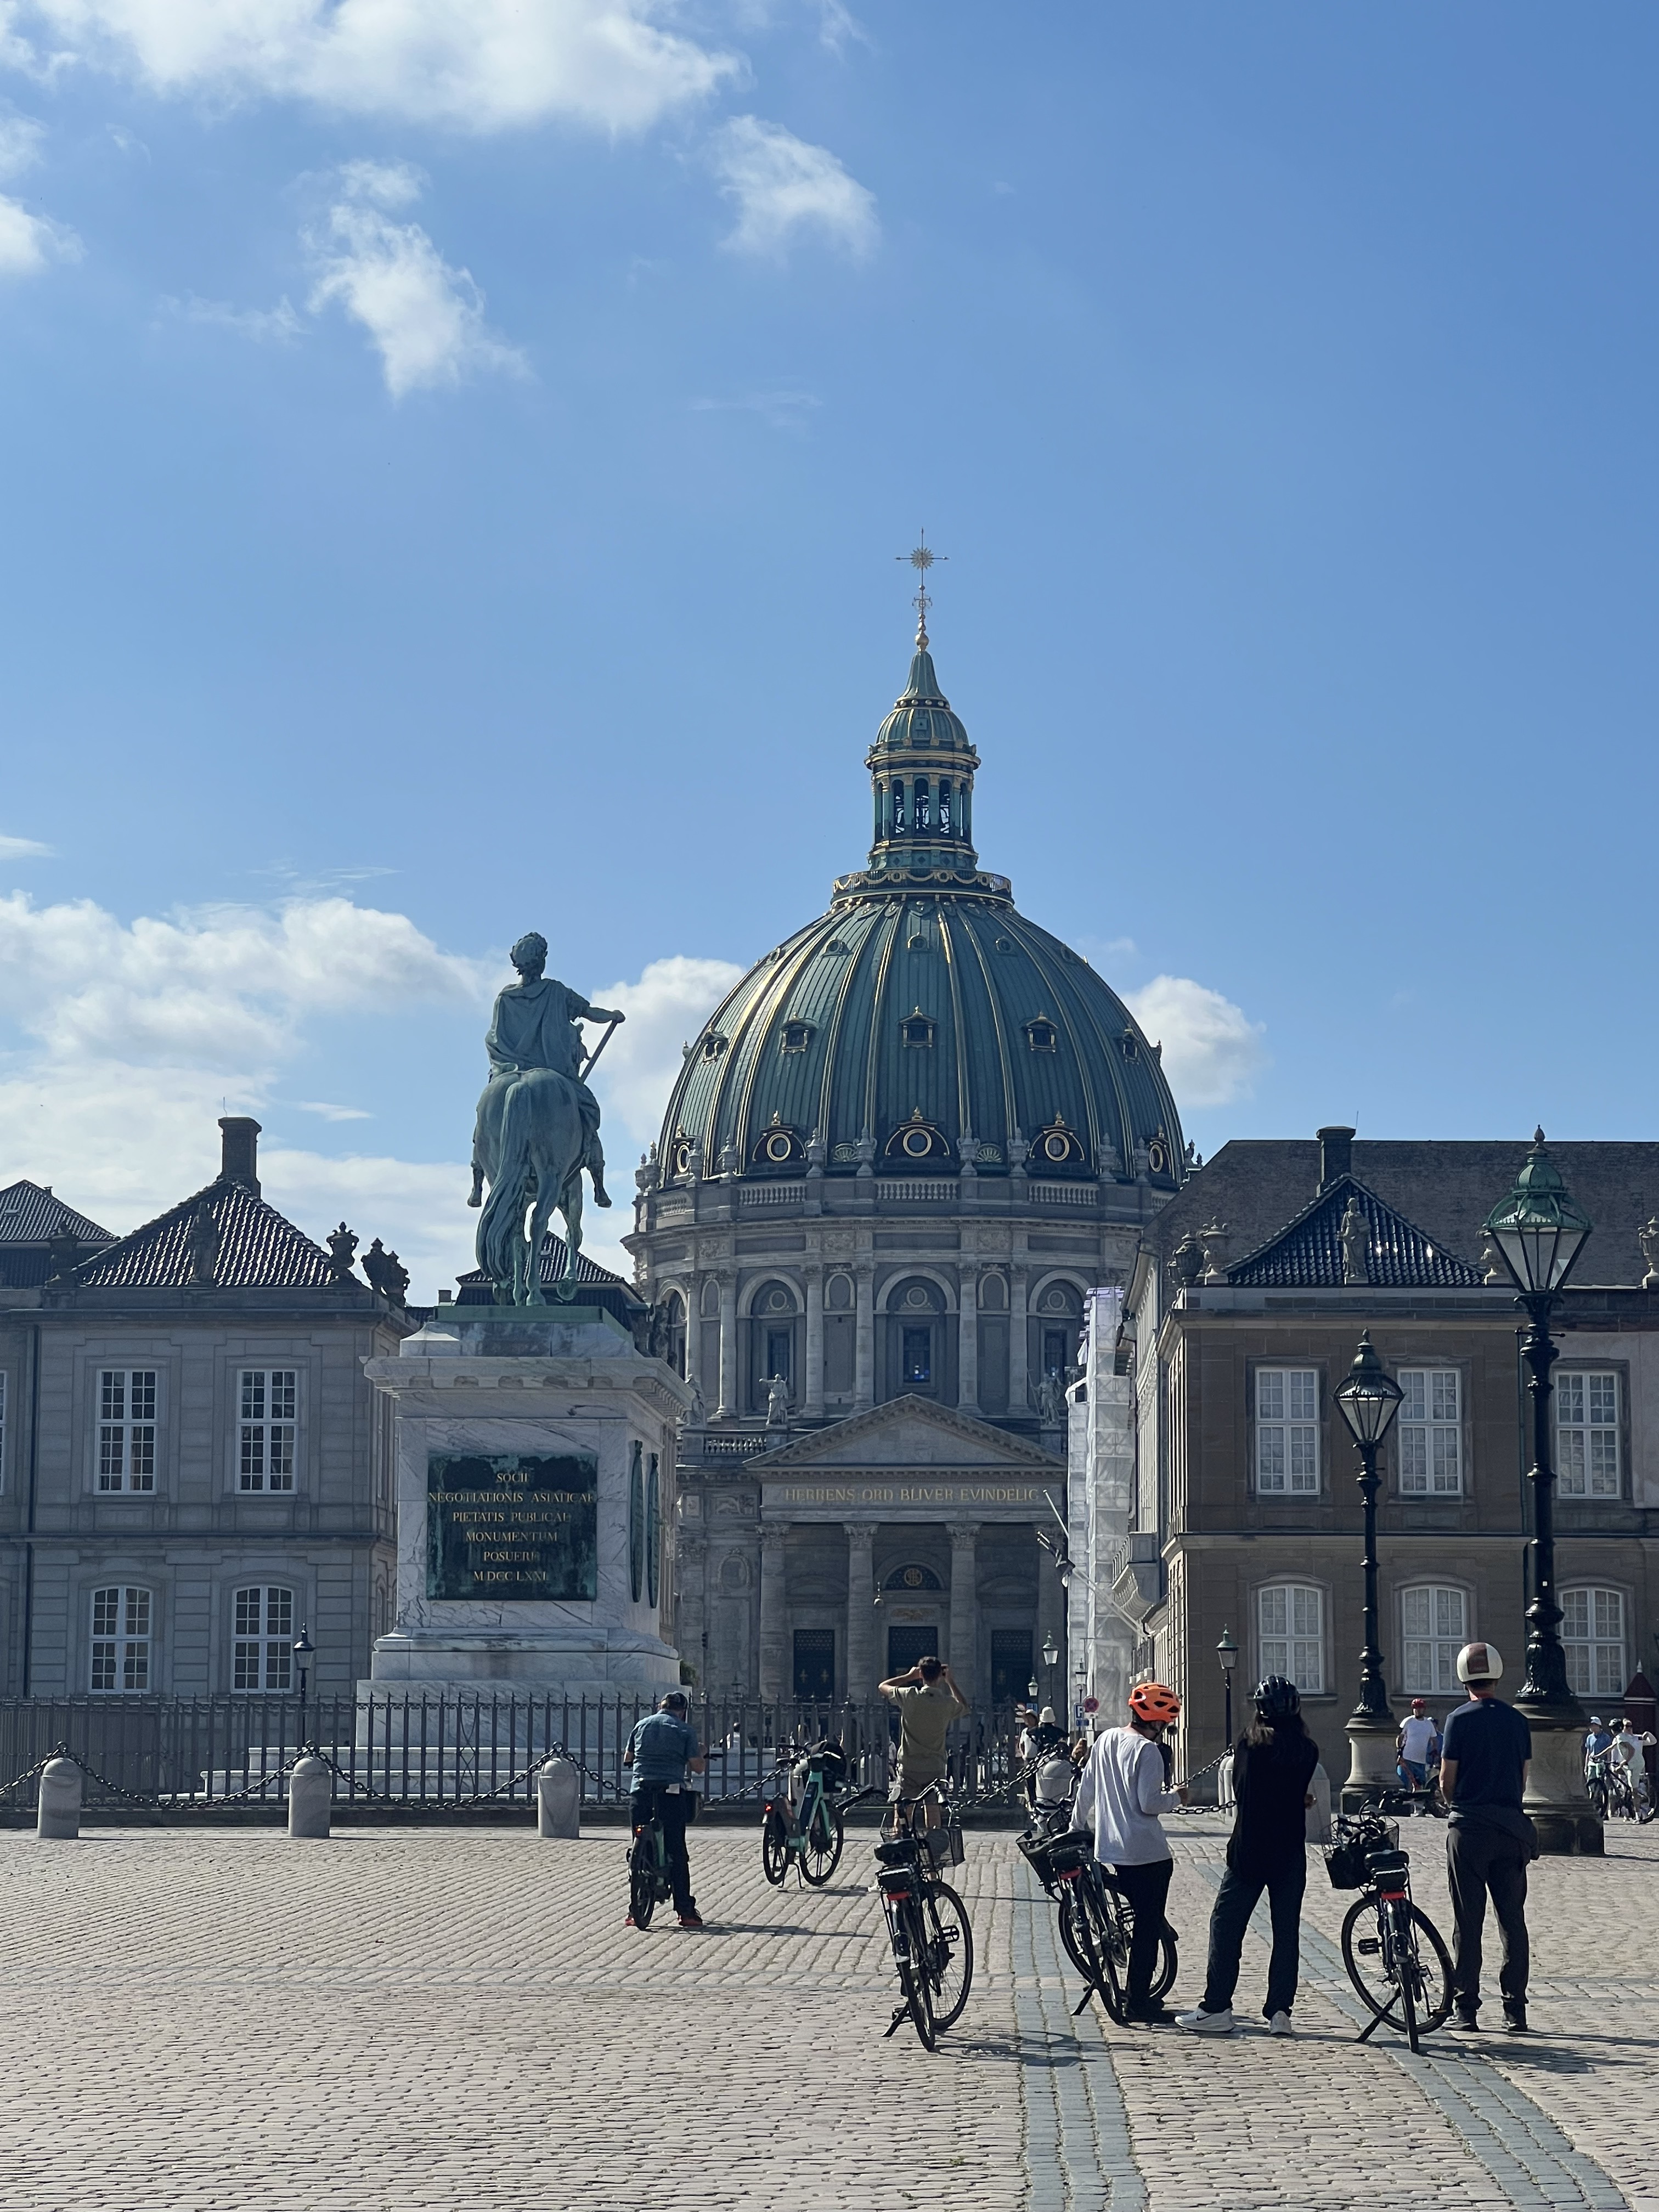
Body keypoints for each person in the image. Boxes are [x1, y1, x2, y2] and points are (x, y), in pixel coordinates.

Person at [1178, 1675, 1319, 2039]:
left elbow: (1243, 1792)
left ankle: (1217, 2006)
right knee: (1286, 1932)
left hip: (1250, 1850)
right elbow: (1295, 1793)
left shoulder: (1249, 1744)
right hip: (1290, 1850)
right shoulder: (1307, 1749)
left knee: (1226, 1925)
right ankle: (1280, 2011)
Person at [469, 931, 625, 1210]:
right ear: (542, 961)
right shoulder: (556, 992)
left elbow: (494, 1040)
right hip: (555, 1072)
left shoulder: (504, 999)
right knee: (589, 1113)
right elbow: (590, 1012)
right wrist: (613, 1016)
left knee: (484, 1119)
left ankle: (478, 1182)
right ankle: (598, 1182)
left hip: (506, 1071)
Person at [1074, 1680, 1188, 2025]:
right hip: (1147, 1853)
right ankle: (1138, 2000)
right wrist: (1178, 1797)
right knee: (1147, 1927)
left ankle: (1132, 1988)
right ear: (1157, 1721)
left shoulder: (1107, 1739)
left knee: (1139, 1915)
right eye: (1166, 1723)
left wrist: (1077, 1826)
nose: (1165, 1729)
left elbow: (1087, 1787)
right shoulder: (1148, 1751)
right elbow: (1149, 1803)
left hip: (1111, 1848)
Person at [1439, 1640, 1533, 2033]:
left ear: (1464, 1678)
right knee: (1512, 1921)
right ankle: (1515, 2010)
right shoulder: (1517, 1720)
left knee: (1468, 1921)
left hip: (1470, 1829)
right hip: (1510, 1829)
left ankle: (1466, 2008)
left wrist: (1456, 1803)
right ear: (1496, 1676)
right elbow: (1523, 1779)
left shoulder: (1458, 1720)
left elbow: (1446, 1779)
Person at [622, 1689, 707, 1930]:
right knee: (677, 1851)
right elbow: (698, 1767)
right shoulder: (685, 1730)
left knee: (640, 1849)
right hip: (670, 1794)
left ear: (660, 1707)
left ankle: (635, 1910)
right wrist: (700, 1752)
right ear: (683, 1711)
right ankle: (685, 1912)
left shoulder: (641, 1725)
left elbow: (628, 1758)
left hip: (640, 1792)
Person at [879, 1655, 968, 1829]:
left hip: (909, 1766)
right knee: (933, 1816)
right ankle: (933, 1844)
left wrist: (909, 1677)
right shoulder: (946, 1703)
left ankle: (900, 1842)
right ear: (940, 1675)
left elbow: (883, 1686)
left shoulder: (910, 1696)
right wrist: (950, 1682)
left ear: (921, 1675)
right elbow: (964, 1707)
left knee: (902, 1816)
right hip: (935, 1767)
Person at [1397, 1699, 1442, 1797]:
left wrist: (1435, 1750)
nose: (1417, 1710)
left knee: (1420, 1785)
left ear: (1424, 1709)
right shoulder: (1408, 1721)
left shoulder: (1428, 1724)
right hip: (1407, 1758)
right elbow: (1400, 1736)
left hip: (1420, 1760)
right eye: (1415, 1708)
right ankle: (1403, 1803)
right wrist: (1399, 1749)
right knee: (1403, 1782)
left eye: (1420, 1708)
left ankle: (1417, 1805)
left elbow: (1434, 1739)